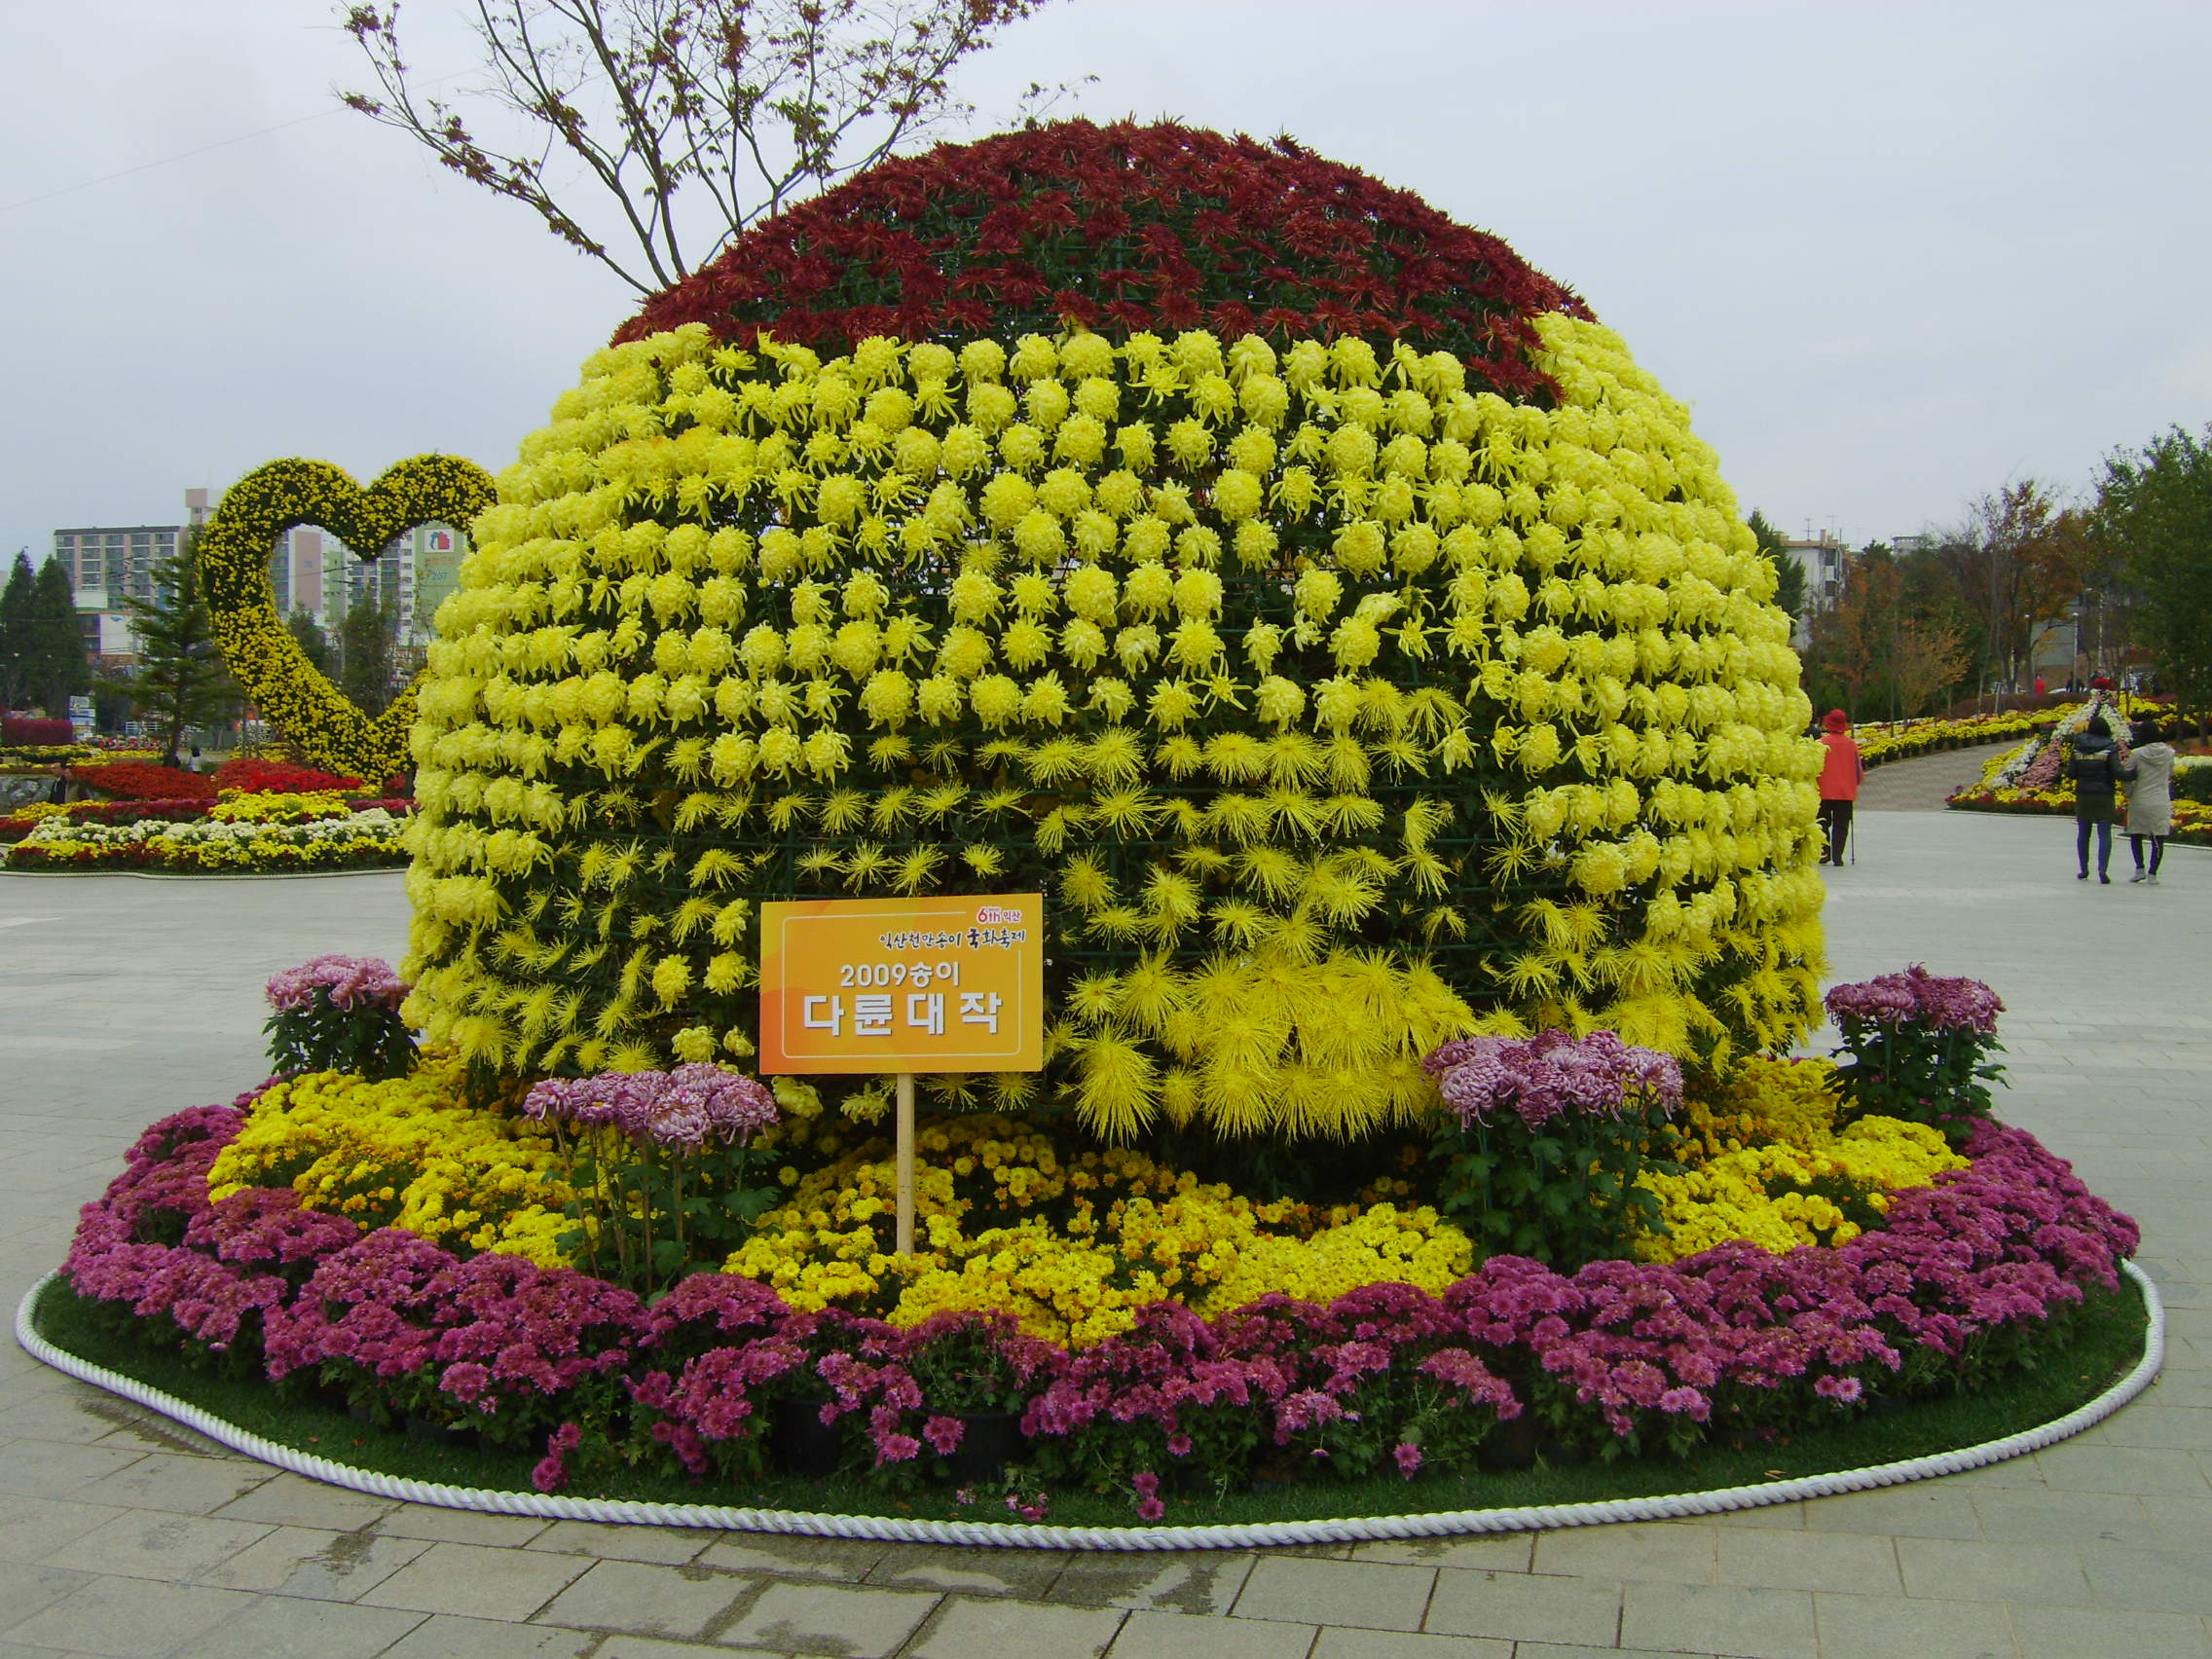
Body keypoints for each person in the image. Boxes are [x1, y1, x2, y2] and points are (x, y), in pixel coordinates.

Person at [2069, 714, 2134, 884]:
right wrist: (2134, 774)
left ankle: (2084, 869)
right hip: (2104, 794)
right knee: (2104, 833)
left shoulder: (2077, 747)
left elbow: (2070, 773)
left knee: (2083, 833)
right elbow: (2117, 772)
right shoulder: (2109, 747)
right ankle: (2102, 870)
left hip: (2083, 794)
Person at [2124, 718, 2176, 884]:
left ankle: (2139, 868)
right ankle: (2153, 873)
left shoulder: (2137, 754)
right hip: (2160, 799)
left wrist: (2129, 792)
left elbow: (2127, 776)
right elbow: (2170, 773)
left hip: (2140, 798)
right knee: (2158, 837)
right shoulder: (2169, 753)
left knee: (2136, 834)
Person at [1816, 709, 1862, 866]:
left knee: (1822, 822)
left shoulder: (1821, 744)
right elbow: (1858, 772)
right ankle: (1838, 856)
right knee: (1841, 825)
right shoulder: (1851, 745)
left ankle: (1824, 852)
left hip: (1824, 791)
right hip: (1845, 793)